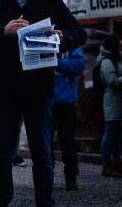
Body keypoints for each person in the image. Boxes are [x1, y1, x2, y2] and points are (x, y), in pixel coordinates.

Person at [0, 0, 86, 207]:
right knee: (3, 153)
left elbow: (78, 33)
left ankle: (45, 202)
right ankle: (2, 201)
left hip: (39, 89)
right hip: (3, 88)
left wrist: (62, 38)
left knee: (42, 152)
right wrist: (3, 31)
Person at [98, 35, 122, 178]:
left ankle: (117, 164)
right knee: (111, 135)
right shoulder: (107, 62)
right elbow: (112, 81)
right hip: (114, 104)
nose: (121, 47)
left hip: (120, 104)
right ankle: (107, 165)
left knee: (116, 136)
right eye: (119, 45)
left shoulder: (115, 61)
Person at [52, 47, 85, 190]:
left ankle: (70, 176)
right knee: (45, 142)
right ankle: (47, 175)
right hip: (46, 102)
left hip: (64, 102)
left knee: (67, 141)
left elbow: (78, 66)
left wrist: (52, 61)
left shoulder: (70, 43)